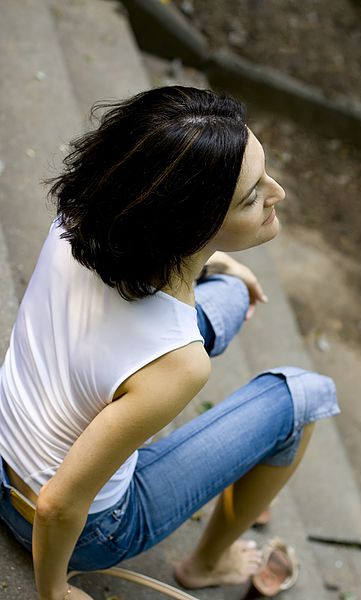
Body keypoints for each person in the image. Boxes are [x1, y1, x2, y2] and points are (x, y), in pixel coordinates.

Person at [0, 86, 339, 600]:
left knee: (229, 290)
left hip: (8, 446)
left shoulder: (82, 216)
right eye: (252, 197)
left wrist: (215, 260)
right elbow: (58, 506)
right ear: (188, 226)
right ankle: (208, 564)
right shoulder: (180, 366)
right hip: (75, 524)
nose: (278, 193)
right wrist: (53, 593)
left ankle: (245, 465)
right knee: (305, 395)